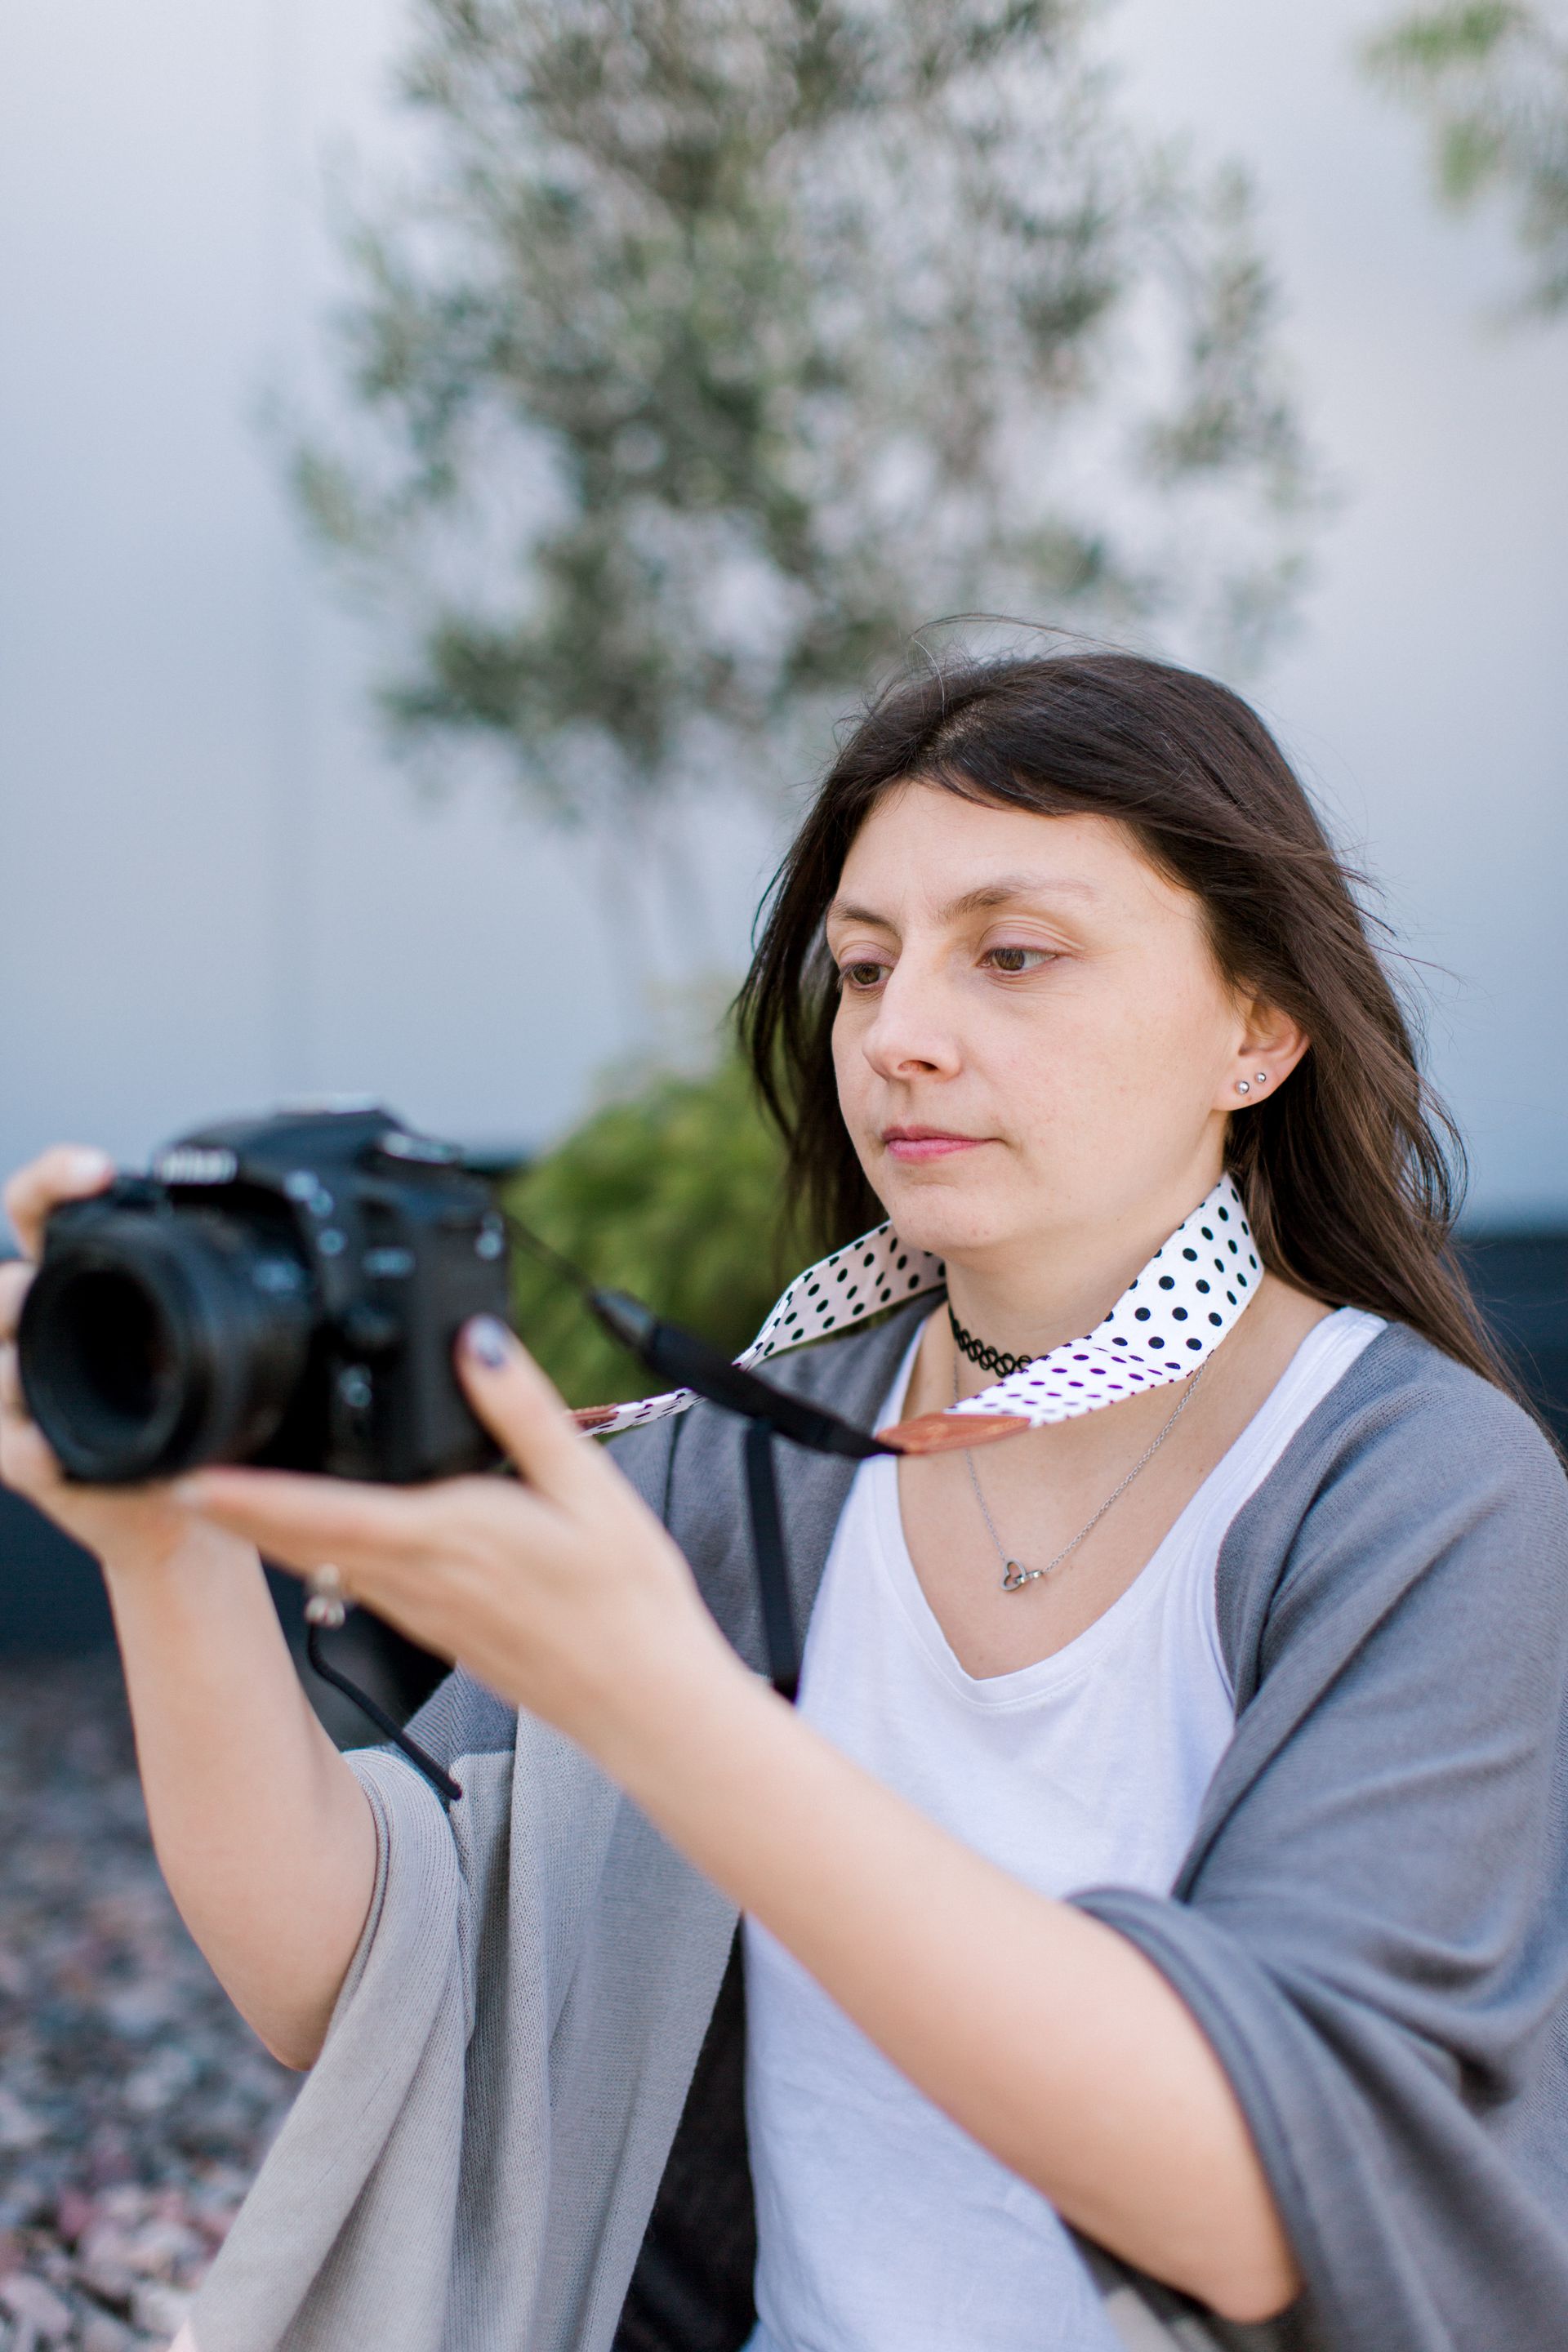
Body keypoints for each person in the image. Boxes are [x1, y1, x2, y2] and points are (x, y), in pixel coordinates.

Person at [3, 648, 1566, 2352]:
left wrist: (658, 1702)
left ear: (1257, 1029)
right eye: (864, 967)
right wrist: (166, 1552)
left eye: (1014, 955)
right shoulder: (761, 1443)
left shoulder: (1415, 1492)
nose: (900, 1036)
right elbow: (356, 1979)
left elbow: (1270, 2199)